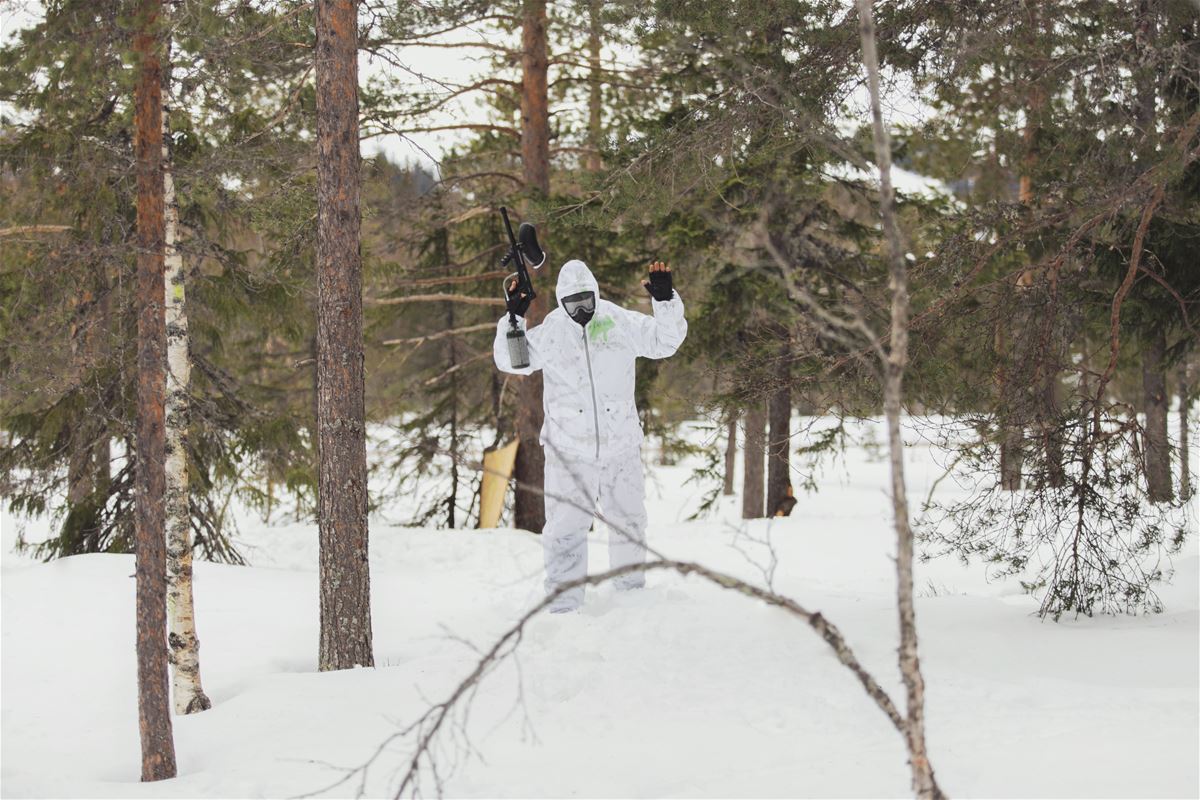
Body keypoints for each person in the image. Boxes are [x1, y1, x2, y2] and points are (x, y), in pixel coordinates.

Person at [493, 259, 687, 613]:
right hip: (568, 450)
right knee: (566, 529)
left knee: (628, 521)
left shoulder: (619, 322)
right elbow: (512, 361)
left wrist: (665, 300)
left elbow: (666, 341)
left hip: (621, 446)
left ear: (595, 295)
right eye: (573, 304)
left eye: (586, 301)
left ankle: (630, 597)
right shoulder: (552, 332)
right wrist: (514, 319)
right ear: (562, 301)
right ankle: (564, 605)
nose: (581, 310)